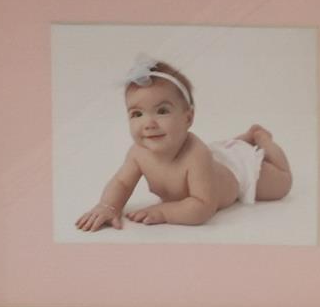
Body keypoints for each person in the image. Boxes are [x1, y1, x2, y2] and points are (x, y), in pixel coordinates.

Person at [73, 58, 290, 231]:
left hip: (237, 171)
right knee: (222, 151)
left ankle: (261, 139)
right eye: (137, 114)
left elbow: (204, 206)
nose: (149, 123)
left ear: (188, 118)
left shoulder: (196, 155)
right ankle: (243, 138)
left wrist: (164, 212)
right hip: (217, 160)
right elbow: (121, 183)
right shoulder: (138, 153)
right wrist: (108, 206)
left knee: (281, 185)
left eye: (162, 111)